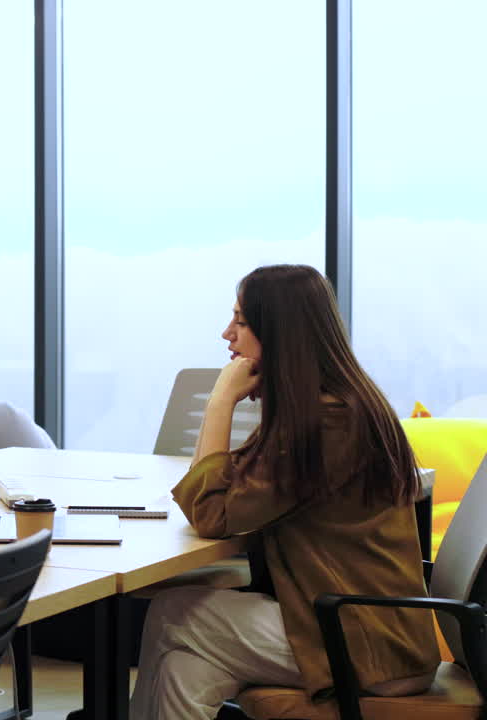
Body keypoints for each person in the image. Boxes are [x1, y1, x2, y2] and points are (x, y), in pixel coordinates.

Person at [129, 265, 439, 719]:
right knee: (185, 667)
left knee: (171, 612)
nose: (226, 334)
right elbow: (222, 485)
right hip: (355, 624)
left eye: (241, 321)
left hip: (362, 640)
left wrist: (220, 401)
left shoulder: (329, 421)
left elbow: (212, 515)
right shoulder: (330, 404)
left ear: (279, 334)